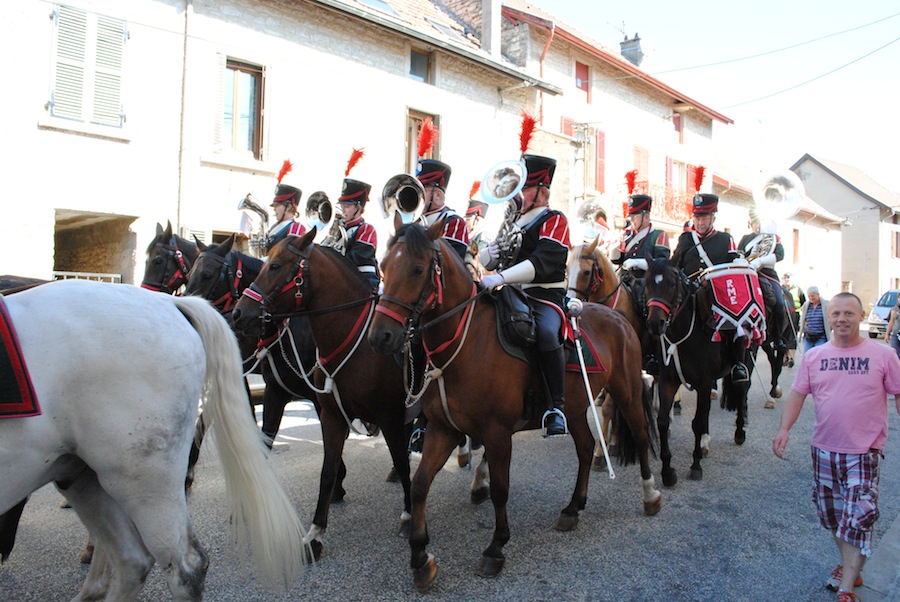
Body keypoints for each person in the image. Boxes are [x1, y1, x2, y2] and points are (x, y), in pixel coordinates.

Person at [773, 292, 900, 602]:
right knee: (833, 517)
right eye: (837, 314)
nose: (842, 319)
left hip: (864, 451)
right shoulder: (815, 357)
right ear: (829, 318)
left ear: (860, 316)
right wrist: (784, 429)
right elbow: (797, 395)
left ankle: (845, 588)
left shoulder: (884, 355)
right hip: (824, 449)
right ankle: (850, 566)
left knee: (859, 515)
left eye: (849, 314)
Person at [479, 153, 571, 437]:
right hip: (510, 293)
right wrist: (489, 254)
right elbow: (488, 260)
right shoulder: (512, 221)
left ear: (542, 192)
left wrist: (501, 276)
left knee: (546, 332)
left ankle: (556, 407)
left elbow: (542, 263)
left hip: (543, 296)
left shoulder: (555, 219)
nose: (516, 194)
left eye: (524, 188)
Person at [671, 191, 749, 382]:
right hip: (689, 292)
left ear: (713, 217)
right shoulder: (685, 239)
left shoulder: (725, 239)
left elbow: (733, 265)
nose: (700, 222)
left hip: (716, 293)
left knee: (735, 321)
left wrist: (740, 262)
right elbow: (675, 265)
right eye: (697, 217)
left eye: (704, 217)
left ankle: (737, 363)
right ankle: (659, 358)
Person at [609, 189, 670, 374]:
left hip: (648, 282)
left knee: (647, 309)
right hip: (625, 280)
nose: (633, 219)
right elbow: (619, 260)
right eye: (632, 216)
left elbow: (663, 262)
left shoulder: (658, 235)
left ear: (646, 216)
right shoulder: (627, 236)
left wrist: (638, 262)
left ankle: (652, 353)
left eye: (636, 216)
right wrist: (616, 253)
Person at [738, 209, 788, 350]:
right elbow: (739, 254)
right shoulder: (746, 238)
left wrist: (760, 261)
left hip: (767, 274)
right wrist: (744, 260)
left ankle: (778, 337)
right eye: (754, 222)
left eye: (759, 222)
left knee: (779, 303)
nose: (757, 225)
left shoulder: (772, 238)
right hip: (747, 273)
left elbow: (779, 254)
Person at [265, 159, 307, 254]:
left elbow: (288, 256)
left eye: (278, 205)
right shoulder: (273, 227)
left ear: (289, 207)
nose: (274, 209)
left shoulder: (296, 227)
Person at [782, 273, 806, 367]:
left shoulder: (798, 289)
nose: (787, 280)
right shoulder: (781, 288)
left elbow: (803, 302)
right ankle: (785, 357)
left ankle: (791, 357)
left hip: (794, 314)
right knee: (783, 335)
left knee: (792, 336)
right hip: (783, 314)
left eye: (788, 278)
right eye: (785, 278)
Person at [799, 286, 831, 353]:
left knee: (818, 356)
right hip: (808, 337)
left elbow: (830, 319)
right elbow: (803, 319)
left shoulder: (826, 305)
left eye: (813, 296)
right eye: (809, 296)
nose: (811, 298)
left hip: (821, 337)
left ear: (818, 295)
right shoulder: (806, 305)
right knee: (807, 357)